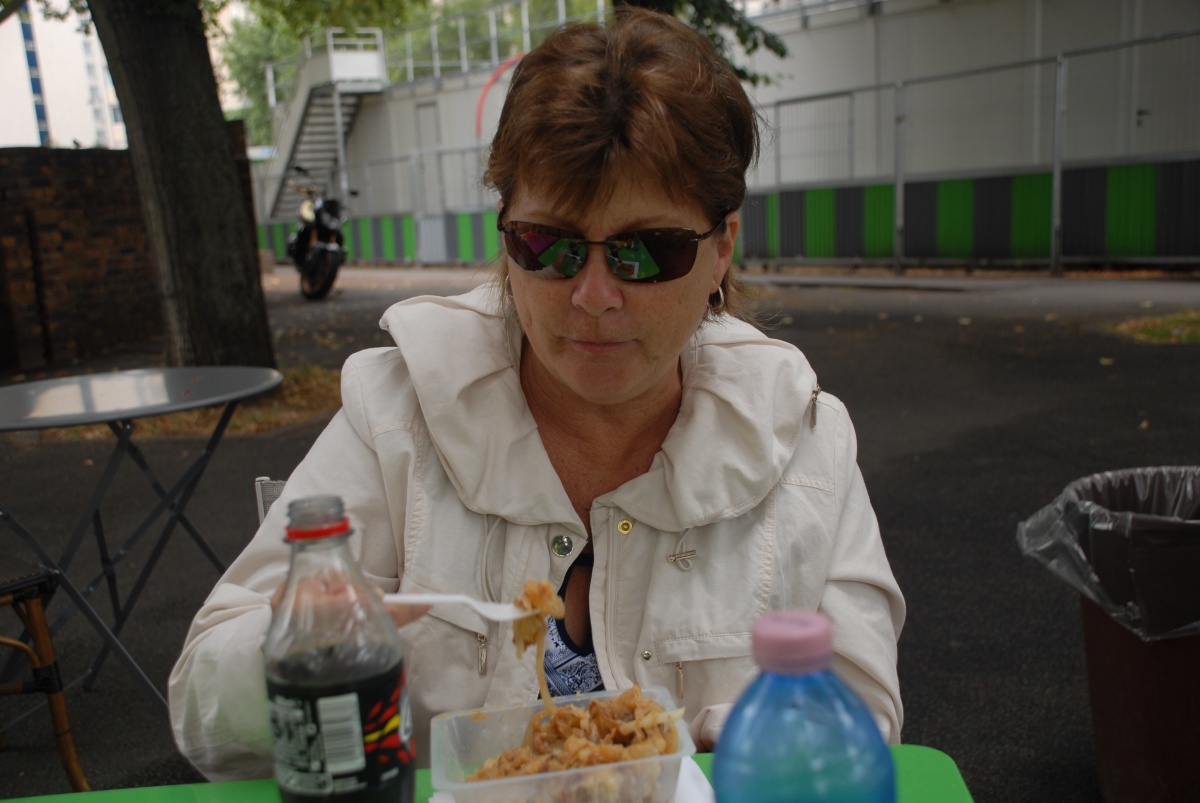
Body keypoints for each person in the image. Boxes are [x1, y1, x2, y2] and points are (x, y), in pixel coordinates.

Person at [169, 7, 904, 780]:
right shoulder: (396, 414)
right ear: (506, 238)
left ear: (721, 247)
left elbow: (867, 716)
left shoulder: (804, 440)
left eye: (646, 251)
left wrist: (742, 739)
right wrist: (303, 649)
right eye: (549, 245)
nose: (594, 296)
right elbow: (202, 708)